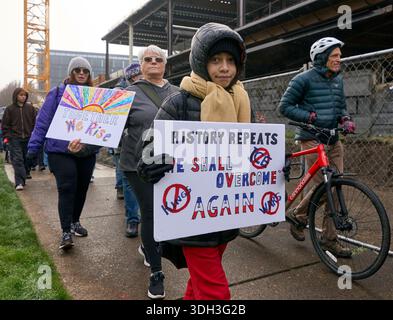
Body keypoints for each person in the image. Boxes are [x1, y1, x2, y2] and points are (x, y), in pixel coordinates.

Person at [137, 22, 251, 300]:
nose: (224, 68)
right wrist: (154, 162)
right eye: (215, 60)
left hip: (225, 215)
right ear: (201, 62)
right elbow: (147, 154)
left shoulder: (242, 100)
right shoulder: (177, 103)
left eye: (230, 61)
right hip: (190, 219)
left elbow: (252, 149)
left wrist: (275, 165)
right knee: (215, 292)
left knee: (199, 285)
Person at [279, 37, 355, 258]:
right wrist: (309, 117)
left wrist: (345, 119)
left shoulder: (338, 80)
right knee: (327, 187)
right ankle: (326, 236)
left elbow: (341, 106)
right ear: (322, 58)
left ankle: (301, 217)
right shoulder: (303, 80)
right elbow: (284, 106)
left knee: (335, 186)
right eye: (334, 56)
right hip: (313, 139)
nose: (339, 59)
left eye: (339, 55)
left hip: (334, 139)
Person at [119, 45, 179, 299]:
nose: (153, 62)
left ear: (165, 64)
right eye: (148, 59)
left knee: (167, 213)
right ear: (141, 65)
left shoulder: (179, 92)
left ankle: (148, 246)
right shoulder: (126, 94)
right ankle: (156, 272)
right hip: (137, 165)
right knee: (152, 212)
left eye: (158, 59)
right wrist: (81, 143)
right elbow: (105, 128)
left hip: (171, 164)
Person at [28, 56, 100, 250]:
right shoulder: (57, 93)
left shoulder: (95, 95)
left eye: (85, 71)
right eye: (77, 70)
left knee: (82, 188)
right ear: (71, 73)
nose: (82, 74)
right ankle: (66, 231)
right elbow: (42, 121)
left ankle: (75, 221)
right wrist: (33, 147)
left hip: (86, 152)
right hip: (60, 150)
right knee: (67, 187)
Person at [2, 88, 37, 190]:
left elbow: (35, 123)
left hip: (28, 138)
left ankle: (25, 174)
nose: (23, 97)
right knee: (17, 160)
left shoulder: (30, 108)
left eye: (25, 95)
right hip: (15, 138)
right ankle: (19, 182)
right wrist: (8, 136)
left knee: (27, 158)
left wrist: (34, 134)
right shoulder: (10, 109)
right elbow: (5, 125)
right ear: (16, 96)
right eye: (21, 95)